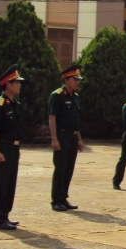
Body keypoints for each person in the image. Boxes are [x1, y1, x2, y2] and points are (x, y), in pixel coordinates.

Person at [0, 66, 24, 230]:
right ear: (7, 84)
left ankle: (5, 215)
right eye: (16, 82)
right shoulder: (0, 105)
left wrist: (17, 148)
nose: (19, 85)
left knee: (10, 184)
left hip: (13, 148)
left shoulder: (14, 104)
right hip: (2, 147)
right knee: (1, 184)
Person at [49, 63, 84, 212]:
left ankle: (64, 197)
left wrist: (79, 139)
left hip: (72, 136)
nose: (77, 82)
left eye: (78, 79)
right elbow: (52, 118)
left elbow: (75, 120)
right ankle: (56, 199)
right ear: (66, 79)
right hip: (62, 135)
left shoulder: (75, 97)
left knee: (69, 169)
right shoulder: (56, 96)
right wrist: (54, 139)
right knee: (61, 168)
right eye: (74, 79)